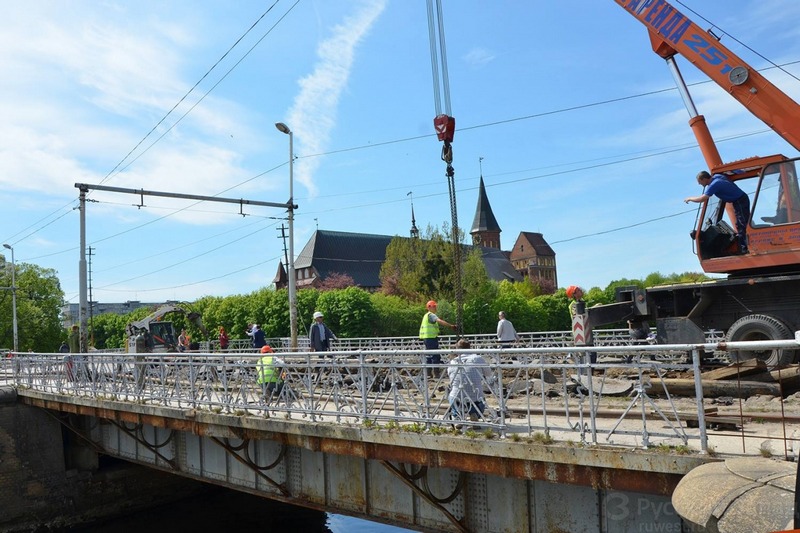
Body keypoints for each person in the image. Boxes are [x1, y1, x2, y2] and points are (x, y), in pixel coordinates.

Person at [685, 170, 750, 254]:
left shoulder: (714, 184)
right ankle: (744, 245)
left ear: (704, 179)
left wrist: (690, 198)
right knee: (739, 224)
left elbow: (702, 199)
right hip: (739, 200)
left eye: (700, 182)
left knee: (742, 224)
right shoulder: (717, 177)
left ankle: (745, 248)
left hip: (739, 200)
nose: (699, 184)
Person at [447, 339, 492, 422]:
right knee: (479, 398)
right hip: (476, 397)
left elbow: (451, 379)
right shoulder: (477, 358)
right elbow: (489, 374)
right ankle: (475, 414)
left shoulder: (453, 361)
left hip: (457, 397)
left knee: (451, 394)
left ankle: (457, 417)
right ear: (470, 347)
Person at [419, 300, 456, 375]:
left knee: (429, 356)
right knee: (435, 355)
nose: (436, 308)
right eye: (434, 306)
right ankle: (436, 374)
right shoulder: (431, 315)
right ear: (429, 307)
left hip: (427, 338)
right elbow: (440, 321)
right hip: (431, 338)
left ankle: (428, 374)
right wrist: (450, 326)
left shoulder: (426, 316)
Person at [566, 285, 597, 369]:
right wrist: (593, 308)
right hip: (580, 334)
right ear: (574, 294)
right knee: (584, 354)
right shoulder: (573, 305)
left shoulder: (581, 302)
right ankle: (583, 372)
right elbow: (579, 316)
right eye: (578, 290)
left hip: (585, 332)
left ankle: (589, 372)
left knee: (592, 353)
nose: (581, 291)